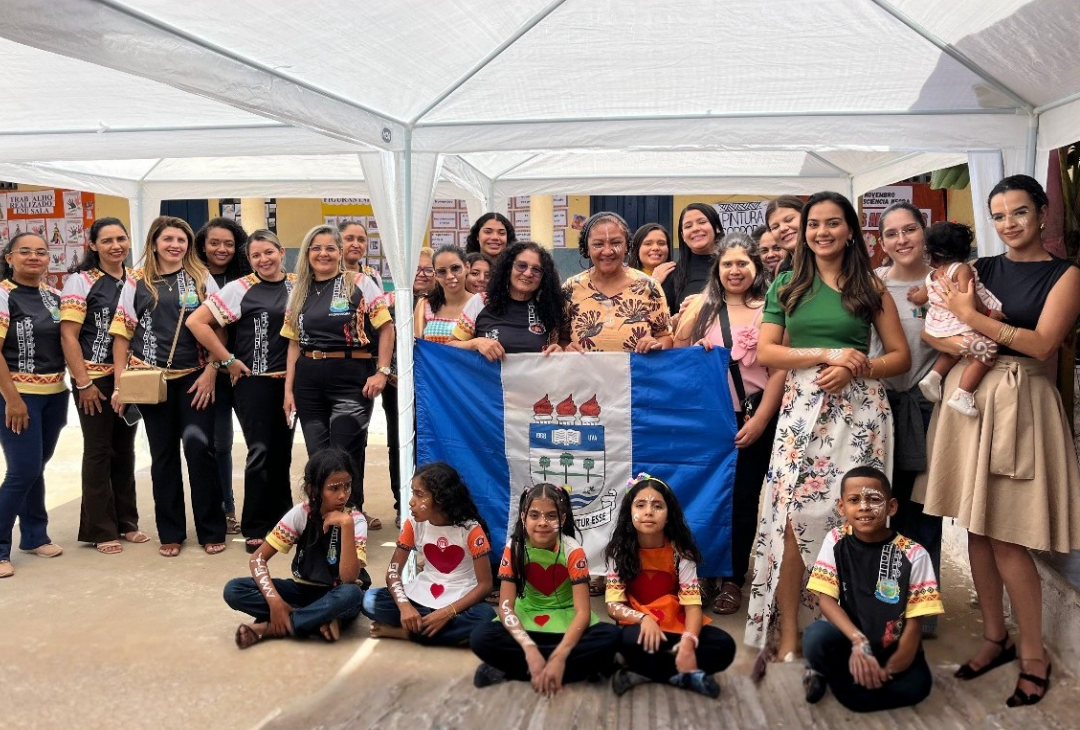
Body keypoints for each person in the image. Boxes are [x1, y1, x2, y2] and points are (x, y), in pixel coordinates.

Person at [915, 174, 1080, 707]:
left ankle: (1033, 655)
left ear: (1043, 212)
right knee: (976, 529)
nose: (1010, 223)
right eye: (1000, 215)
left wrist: (970, 319)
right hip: (969, 400)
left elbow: (1042, 344)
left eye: (1020, 212)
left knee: (1007, 536)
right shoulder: (978, 268)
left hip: (1021, 403)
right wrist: (960, 333)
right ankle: (995, 637)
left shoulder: (1065, 275)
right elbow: (931, 328)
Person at [745, 191, 910, 667]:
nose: (822, 232)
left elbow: (900, 356)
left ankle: (851, 629)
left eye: (833, 223)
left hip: (860, 415)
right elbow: (768, 352)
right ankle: (790, 632)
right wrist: (826, 354)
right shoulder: (786, 285)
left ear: (850, 230)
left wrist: (857, 368)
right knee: (793, 520)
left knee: (857, 519)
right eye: (813, 224)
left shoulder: (870, 286)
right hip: (801, 411)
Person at [673, 232, 785, 615]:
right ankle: (703, 573)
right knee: (704, 495)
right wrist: (695, 348)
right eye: (727, 264)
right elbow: (678, 355)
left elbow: (779, 371)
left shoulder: (770, 308)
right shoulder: (702, 308)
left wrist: (762, 421)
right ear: (717, 269)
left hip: (752, 418)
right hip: (707, 420)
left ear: (756, 266)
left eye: (742, 263)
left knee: (742, 499)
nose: (734, 271)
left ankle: (734, 578)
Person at [110, 216, 224, 558]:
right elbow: (122, 335)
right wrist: (120, 385)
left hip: (195, 379)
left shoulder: (201, 278)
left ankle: (211, 530)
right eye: (168, 239)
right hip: (151, 382)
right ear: (155, 243)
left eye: (181, 240)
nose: (175, 245)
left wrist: (212, 370)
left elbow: (220, 328)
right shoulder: (137, 280)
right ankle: (171, 532)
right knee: (163, 457)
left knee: (200, 451)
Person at [187, 230, 297, 554]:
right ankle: (256, 526)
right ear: (249, 260)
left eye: (269, 252)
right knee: (260, 452)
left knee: (282, 453)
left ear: (281, 252)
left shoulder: (297, 284)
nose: (264, 260)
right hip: (254, 383)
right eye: (255, 256)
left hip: (290, 382)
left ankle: (284, 523)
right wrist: (228, 360)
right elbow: (196, 322)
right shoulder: (240, 288)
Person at [803, 466, 943, 712]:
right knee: (816, 638)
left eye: (874, 499)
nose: (864, 507)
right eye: (854, 500)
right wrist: (859, 642)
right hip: (851, 639)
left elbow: (914, 624)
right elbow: (826, 601)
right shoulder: (836, 540)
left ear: (891, 507)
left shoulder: (915, 554)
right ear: (841, 507)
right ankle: (841, 676)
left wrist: (890, 668)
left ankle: (847, 681)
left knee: (918, 687)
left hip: (891, 647)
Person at [282, 224, 394, 520]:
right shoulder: (299, 289)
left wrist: (382, 371)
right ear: (307, 253)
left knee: (345, 452)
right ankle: (324, 520)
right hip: (308, 379)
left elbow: (386, 328)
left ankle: (350, 519)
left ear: (340, 253)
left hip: (351, 376)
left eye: (330, 248)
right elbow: (293, 343)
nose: (323, 253)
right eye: (317, 248)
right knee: (318, 455)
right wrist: (289, 390)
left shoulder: (360, 282)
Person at [470, 483, 620, 692]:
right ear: (524, 518)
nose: (542, 522)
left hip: (567, 623)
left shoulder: (573, 551)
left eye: (551, 516)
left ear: (563, 519)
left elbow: (583, 613)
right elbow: (505, 608)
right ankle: (570, 670)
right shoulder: (514, 548)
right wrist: (529, 649)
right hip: (526, 620)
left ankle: (519, 670)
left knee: (611, 636)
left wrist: (559, 656)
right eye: (534, 515)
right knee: (481, 637)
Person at [871, 202, 941, 637]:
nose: (902, 240)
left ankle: (922, 611)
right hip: (878, 407)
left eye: (909, 229)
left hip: (927, 408)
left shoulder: (946, 282)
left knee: (923, 510)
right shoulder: (871, 284)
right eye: (892, 233)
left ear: (924, 231)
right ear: (881, 242)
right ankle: (882, 603)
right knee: (880, 507)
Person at [604, 475, 736, 698]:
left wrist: (688, 641)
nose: (649, 512)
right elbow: (613, 606)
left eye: (657, 506)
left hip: (676, 625)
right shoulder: (619, 551)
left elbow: (693, 606)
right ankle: (684, 675)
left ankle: (643, 671)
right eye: (640, 505)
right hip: (639, 629)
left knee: (723, 645)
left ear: (669, 515)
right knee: (623, 640)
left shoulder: (681, 553)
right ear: (629, 512)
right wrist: (644, 619)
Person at [223, 447, 366, 648]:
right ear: (312, 490)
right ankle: (314, 620)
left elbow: (349, 578)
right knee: (234, 590)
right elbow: (257, 559)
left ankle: (273, 627)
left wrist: (346, 525)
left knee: (352, 595)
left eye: (347, 486)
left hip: (336, 593)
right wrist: (275, 602)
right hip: (302, 590)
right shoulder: (301, 513)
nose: (343, 495)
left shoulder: (355, 520)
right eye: (334, 488)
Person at [60, 218, 144, 555]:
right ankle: (100, 528)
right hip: (93, 378)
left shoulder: (135, 279)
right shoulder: (80, 281)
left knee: (125, 448)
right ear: (93, 245)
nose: (115, 246)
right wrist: (83, 382)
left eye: (121, 239)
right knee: (98, 450)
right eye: (106, 240)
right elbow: (68, 335)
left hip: (130, 377)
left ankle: (127, 522)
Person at [361, 462, 496, 644]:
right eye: (413, 493)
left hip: (459, 601)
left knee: (485, 617)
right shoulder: (413, 524)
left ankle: (407, 633)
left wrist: (446, 613)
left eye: (419, 495)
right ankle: (445, 633)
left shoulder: (471, 530)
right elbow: (393, 572)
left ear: (441, 499)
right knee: (369, 600)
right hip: (423, 594)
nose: (411, 502)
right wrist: (405, 606)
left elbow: (485, 585)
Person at [0, 233, 67, 578]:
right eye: (24, 251)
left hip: (55, 393)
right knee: (22, 470)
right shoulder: (3, 294)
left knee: (36, 466)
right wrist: (13, 399)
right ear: (9, 258)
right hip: (17, 395)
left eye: (41, 252)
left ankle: (35, 535)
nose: (34, 257)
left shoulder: (54, 297)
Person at [195, 217, 250, 536]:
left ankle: (261, 511)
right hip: (209, 374)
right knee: (219, 445)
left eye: (229, 243)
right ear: (202, 245)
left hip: (244, 372)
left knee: (258, 444)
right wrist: (214, 368)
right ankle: (225, 509)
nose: (222, 249)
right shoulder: (193, 278)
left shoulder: (248, 278)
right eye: (214, 243)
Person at [916, 222, 1003, 417]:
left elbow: (920, 298)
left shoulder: (931, 276)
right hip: (957, 324)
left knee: (953, 352)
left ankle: (933, 377)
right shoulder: (961, 269)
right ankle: (963, 393)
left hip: (936, 327)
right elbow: (968, 298)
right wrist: (989, 313)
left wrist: (914, 295)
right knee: (987, 351)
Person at [561, 211, 672, 355]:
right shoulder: (570, 289)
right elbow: (560, 339)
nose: (607, 251)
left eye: (616, 243)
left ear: (627, 246)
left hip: (635, 370)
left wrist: (656, 345)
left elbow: (665, 336)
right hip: (584, 370)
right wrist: (566, 349)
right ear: (587, 249)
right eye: (598, 244)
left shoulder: (649, 286)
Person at [451, 241, 563, 360]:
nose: (528, 273)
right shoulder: (480, 302)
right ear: (508, 268)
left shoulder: (548, 310)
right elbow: (449, 346)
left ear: (544, 277)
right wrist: (475, 343)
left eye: (536, 270)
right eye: (521, 266)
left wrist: (558, 351)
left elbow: (552, 351)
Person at [664, 204, 723, 316]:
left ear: (717, 227)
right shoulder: (673, 273)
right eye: (688, 226)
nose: (695, 229)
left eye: (702, 222)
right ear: (683, 236)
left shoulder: (734, 267)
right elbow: (662, 320)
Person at [414, 245, 471, 344]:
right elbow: (417, 346)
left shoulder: (479, 303)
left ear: (467, 267)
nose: (449, 276)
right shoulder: (425, 304)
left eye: (455, 268)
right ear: (435, 275)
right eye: (442, 272)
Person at [765, 196, 805, 275]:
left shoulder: (826, 260)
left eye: (789, 220)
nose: (783, 228)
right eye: (775, 227)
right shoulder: (781, 271)